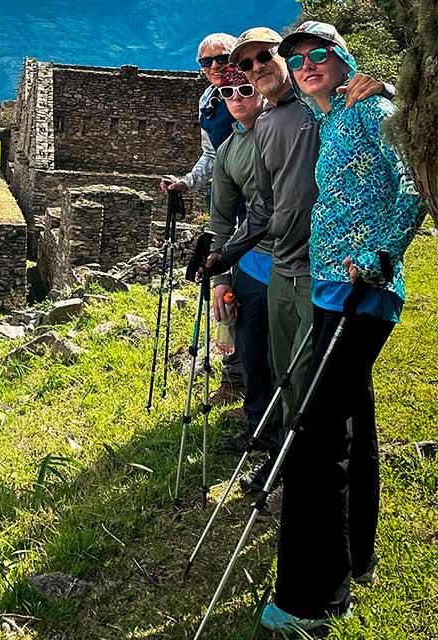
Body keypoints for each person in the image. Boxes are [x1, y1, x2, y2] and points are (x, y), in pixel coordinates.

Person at [258, 22, 426, 632]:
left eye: (318, 54)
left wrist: (382, 255)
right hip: (332, 290)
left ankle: (311, 599)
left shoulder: (371, 109)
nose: (306, 64)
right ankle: (357, 559)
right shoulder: (331, 118)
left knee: (317, 436)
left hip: (363, 289)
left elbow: (415, 183)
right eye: (296, 57)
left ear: (341, 57)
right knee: (351, 421)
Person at [203, 27, 393, 496]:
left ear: (281, 59)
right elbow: (266, 205)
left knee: (323, 389)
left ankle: (322, 485)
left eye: (263, 57)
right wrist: (224, 256)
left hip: (326, 270)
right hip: (282, 269)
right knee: (286, 375)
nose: (255, 69)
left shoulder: (320, 107)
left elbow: (375, 115)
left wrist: (383, 84)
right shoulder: (267, 123)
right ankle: (289, 469)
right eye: (244, 65)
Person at [159, 32, 246, 406]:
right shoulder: (209, 101)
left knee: (250, 290)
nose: (214, 67)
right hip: (224, 205)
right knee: (222, 290)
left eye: (222, 58)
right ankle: (234, 376)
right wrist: (186, 181)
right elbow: (210, 156)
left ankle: (252, 376)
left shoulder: (254, 91)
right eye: (205, 62)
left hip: (259, 204)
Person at [206, 67, 274, 452]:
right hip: (251, 262)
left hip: (295, 259)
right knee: (250, 349)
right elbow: (221, 216)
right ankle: (258, 428)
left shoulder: (284, 125)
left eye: (244, 89)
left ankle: (285, 434)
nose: (235, 97)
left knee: (282, 355)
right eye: (227, 92)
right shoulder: (228, 150)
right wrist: (221, 278)